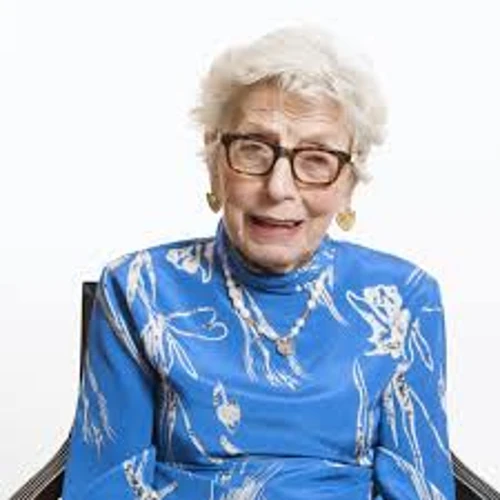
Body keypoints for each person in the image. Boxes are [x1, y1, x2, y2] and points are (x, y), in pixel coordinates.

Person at [62, 26, 456, 499]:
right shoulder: (138, 289)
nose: (279, 188)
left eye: (316, 159)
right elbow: (104, 486)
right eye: (253, 149)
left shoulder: (403, 298)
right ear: (215, 163)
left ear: (349, 182)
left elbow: (418, 490)